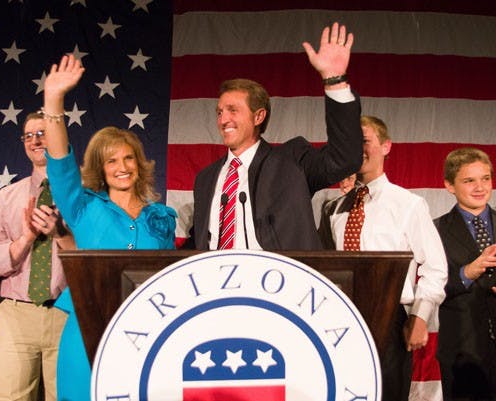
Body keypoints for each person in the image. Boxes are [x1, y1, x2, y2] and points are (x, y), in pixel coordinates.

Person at [42, 54, 177, 401]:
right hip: (88, 326)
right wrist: (53, 99)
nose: (122, 166)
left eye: (128, 158)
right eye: (111, 160)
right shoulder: (83, 206)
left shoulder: (160, 217)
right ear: (100, 169)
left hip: (147, 332)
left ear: (140, 163)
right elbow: (59, 163)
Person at [189, 22, 363, 251]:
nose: (223, 120)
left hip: (280, 283)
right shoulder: (206, 179)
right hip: (218, 284)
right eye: (219, 112)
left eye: (233, 110)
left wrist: (335, 81)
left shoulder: (291, 162)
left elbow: (345, 159)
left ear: (258, 116)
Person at [317, 115, 448, 401]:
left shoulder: (409, 205)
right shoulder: (333, 209)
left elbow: (436, 268)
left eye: (365, 141)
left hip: (389, 318)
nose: (357, 148)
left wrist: (419, 317)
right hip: (340, 318)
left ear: (386, 146)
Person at [0, 113, 75, 401]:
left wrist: (62, 235)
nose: (36, 141)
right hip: (15, 315)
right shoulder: (7, 197)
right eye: (29, 135)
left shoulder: (86, 194)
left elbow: (98, 256)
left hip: (69, 314)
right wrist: (25, 239)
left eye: (43, 133)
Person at [434, 147, 496, 400]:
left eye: (485, 178)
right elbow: (428, 289)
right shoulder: (434, 230)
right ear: (450, 185)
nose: (480, 187)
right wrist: (467, 272)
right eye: (469, 181)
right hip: (462, 349)